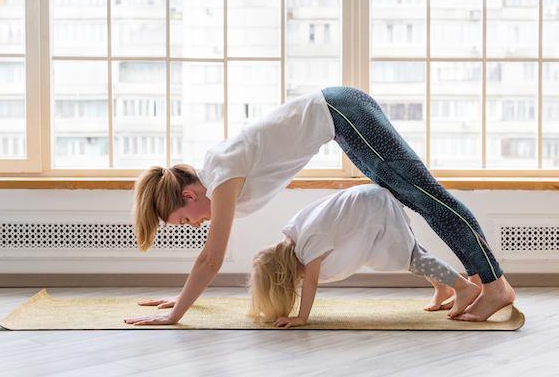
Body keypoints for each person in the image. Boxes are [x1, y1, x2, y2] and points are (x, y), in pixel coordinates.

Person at [124, 86, 514, 327]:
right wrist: (183, 296)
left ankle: (494, 285)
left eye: (183, 220)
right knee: (419, 197)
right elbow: (208, 257)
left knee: (427, 197)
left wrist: (176, 313)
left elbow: (212, 258)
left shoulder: (222, 177)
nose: (194, 225)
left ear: (189, 196)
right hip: (341, 118)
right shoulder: (220, 172)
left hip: (343, 111)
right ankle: (476, 281)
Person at [247, 184, 481, 327]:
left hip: (374, 208)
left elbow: (312, 280)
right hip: (368, 202)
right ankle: (442, 288)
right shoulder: (294, 235)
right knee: (411, 250)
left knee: (410, 256)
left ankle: (463, 287)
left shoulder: (308, 245)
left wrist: (301, 317)